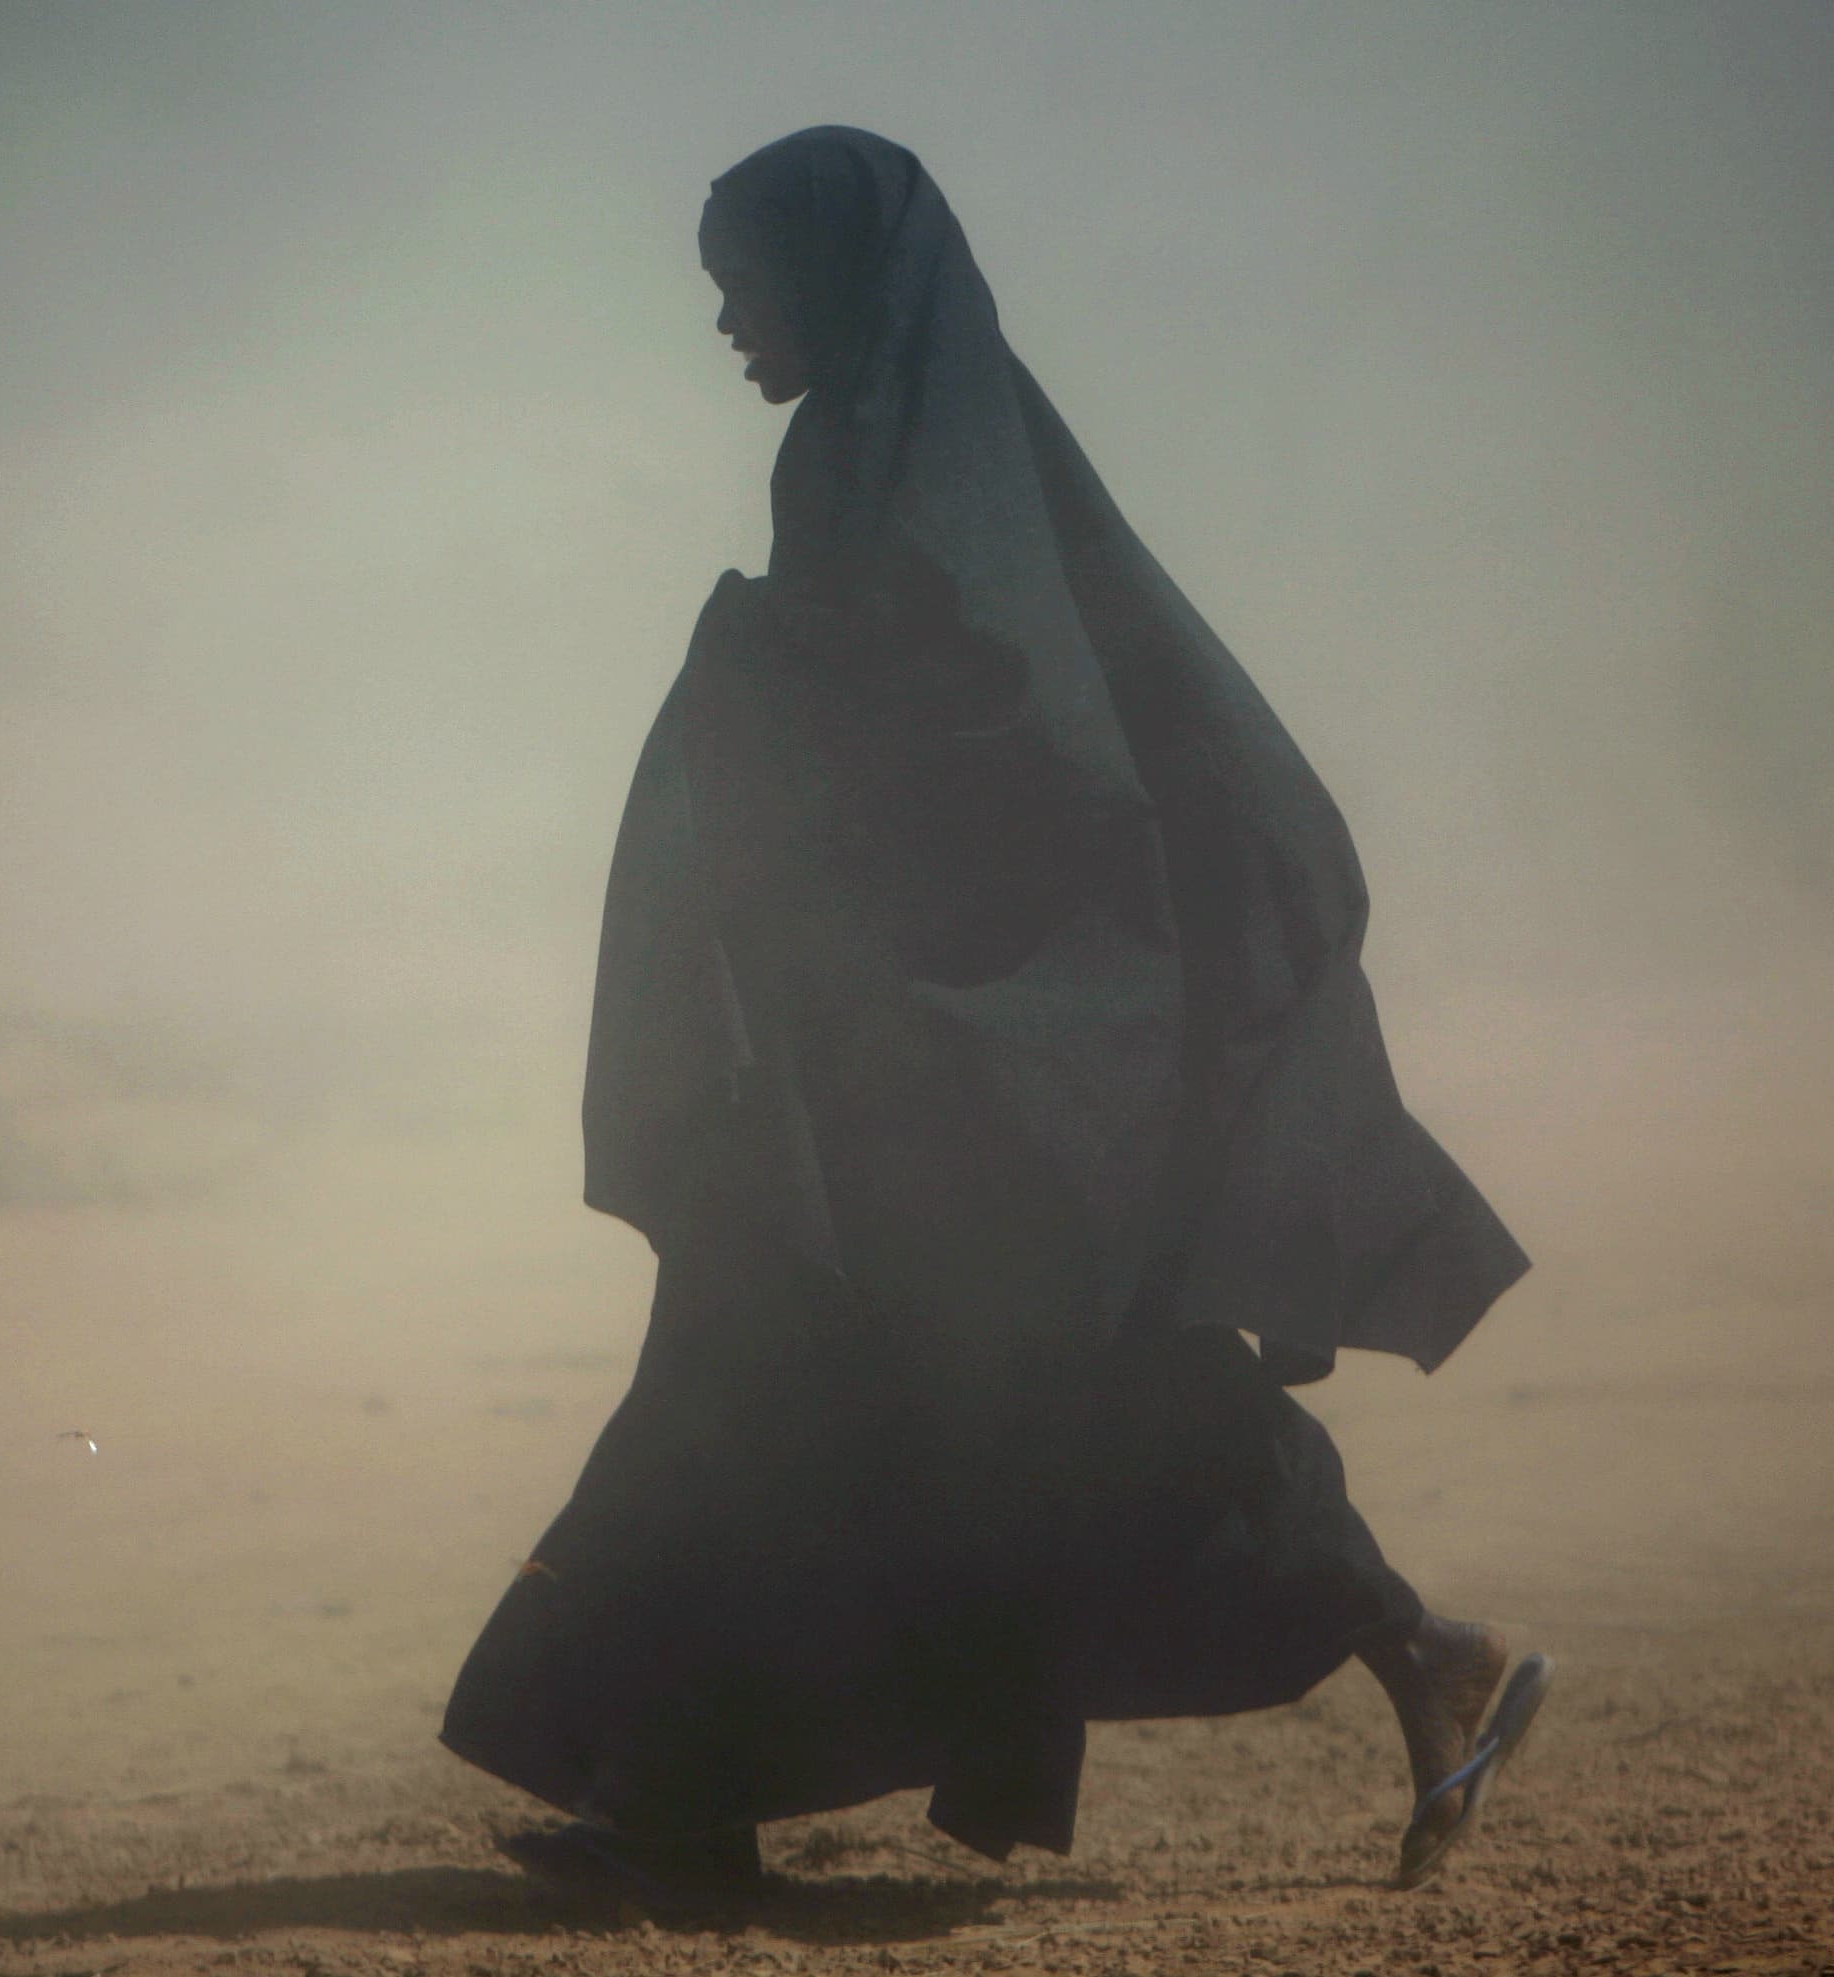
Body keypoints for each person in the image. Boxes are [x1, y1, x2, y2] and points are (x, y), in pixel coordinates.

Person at [441, 127, 1551, 1914]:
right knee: (827, 1405)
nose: (728, 323)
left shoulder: (916, 482)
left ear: (844, 280)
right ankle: (680, 1790)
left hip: (988, 1066)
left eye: (750, 284)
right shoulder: (895, 458)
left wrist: (750, 672)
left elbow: (998, 753)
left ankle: (1424, 1649)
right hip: (916, 1068)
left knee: (973, 1420)